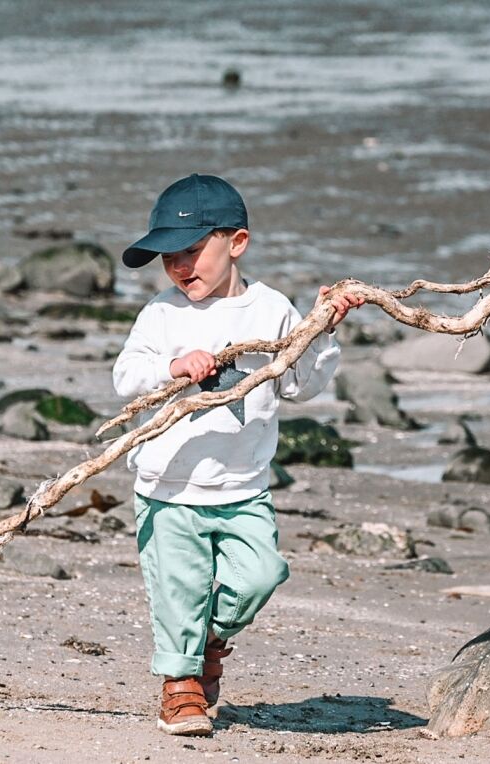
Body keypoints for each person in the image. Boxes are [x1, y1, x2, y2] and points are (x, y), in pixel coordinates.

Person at [112, 173, 362, 736]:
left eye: (193, 251)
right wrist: (174, 367)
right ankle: (180, 688)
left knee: (260, 575)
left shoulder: (271, 310)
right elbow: (125, 375)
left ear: (238, 243)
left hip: (244, 486)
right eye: (167, 256)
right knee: (178, 592)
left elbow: (300, 384)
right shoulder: (161, 314)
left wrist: (320, 331)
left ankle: (208, 644)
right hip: (167, 487)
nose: (179, 266)